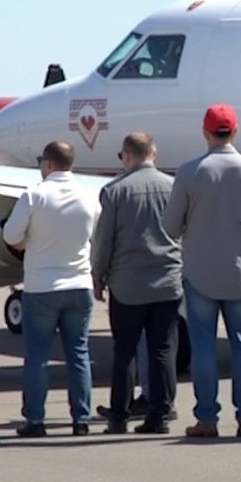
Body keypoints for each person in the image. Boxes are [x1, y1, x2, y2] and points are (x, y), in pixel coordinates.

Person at [163, 103, 241, 438]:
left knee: (204, 347)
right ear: (235, 131)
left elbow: (170, 226)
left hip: (200, 273)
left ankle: (207, 418)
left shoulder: (189, 171)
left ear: (205, 131)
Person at [3, 141, 101, 437]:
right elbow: (97, 237)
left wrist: (27, 241)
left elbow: (10, 234)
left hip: (41, 287)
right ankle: (81, 419)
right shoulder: (89, 195)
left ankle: (35, 419)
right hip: (79, 283)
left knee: (37, 356)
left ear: (47, 164)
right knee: (78, 354)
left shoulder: (34, 195)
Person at [92, 132, 183, 434]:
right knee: (163, 350)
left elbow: (104, 242)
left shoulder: (114, 191)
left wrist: (98, 276)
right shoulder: (174, 187)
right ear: (154, 155)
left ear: (127, 156)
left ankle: (119, 416)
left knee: (125, 351)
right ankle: (160, 415)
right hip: (167, 280)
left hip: (128, 284)